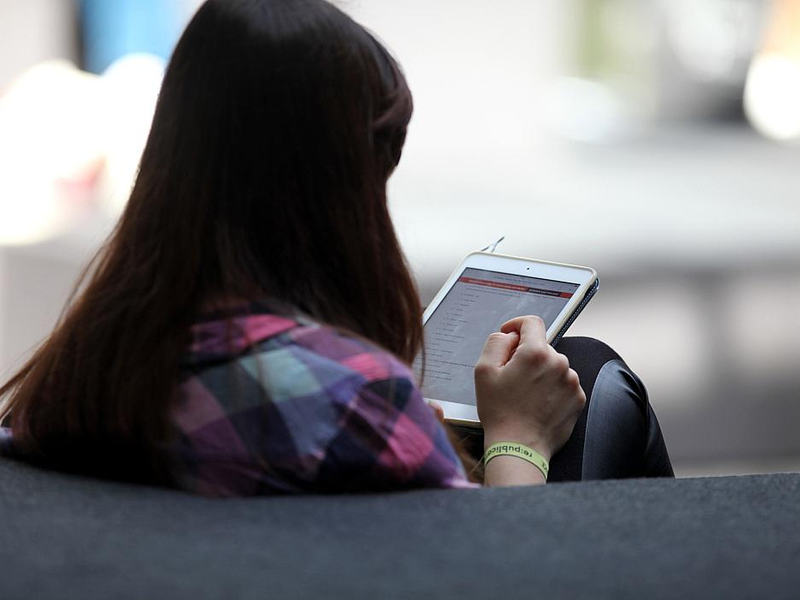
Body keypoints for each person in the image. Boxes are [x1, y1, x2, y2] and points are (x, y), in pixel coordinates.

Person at [0, 0, 672, 496]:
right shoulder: (355, 398)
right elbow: (501, 569)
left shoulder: (81, 368)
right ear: (334, 192)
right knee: (592, 374)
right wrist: (517, 439)